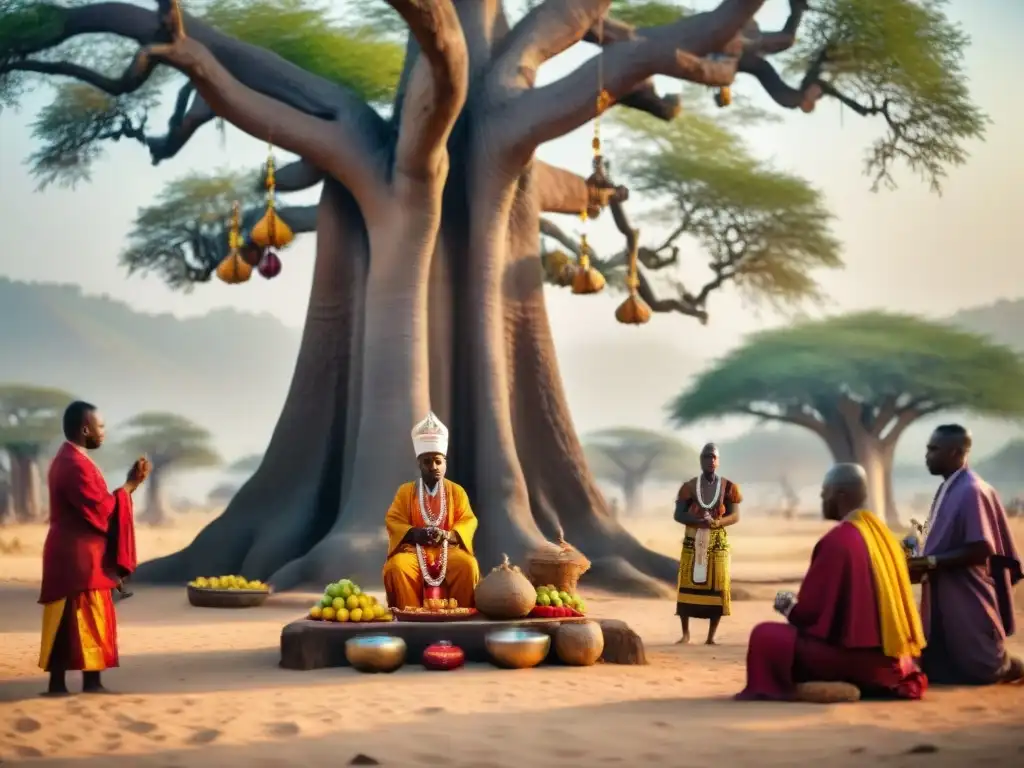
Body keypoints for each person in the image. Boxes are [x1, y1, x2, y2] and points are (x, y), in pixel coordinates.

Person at [736, 463, 928, 701]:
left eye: (823, 494)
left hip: (856, 661)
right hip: (895, 660)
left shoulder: (838, 541)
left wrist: (788, 606)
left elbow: (810, 615)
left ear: (840, 495)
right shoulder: (886, 536)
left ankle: (805, 689)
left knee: (764, 635)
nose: (821, 500)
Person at [38, 401, 151, 696]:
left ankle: (60, 684)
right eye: (100, 427)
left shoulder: (69, 459)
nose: (103, 433)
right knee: (87, 616)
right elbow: (101, 510)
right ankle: (89, 683)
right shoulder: (75, 465)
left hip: (71, 552)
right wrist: (128, 487)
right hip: (80, 556)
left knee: (67, 619)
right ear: (85, 429)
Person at [910, 424, 1023, 685]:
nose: (927, 455)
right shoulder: (949, 487)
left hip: (968, 590)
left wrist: (931, 561)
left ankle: (1011, 667)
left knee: (983, 668)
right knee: (939, 666)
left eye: (933, 449)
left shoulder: (972, 489)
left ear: (955, 452)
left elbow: (982, 547)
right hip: (944, 587)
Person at [382, 412, 480, 609]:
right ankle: (410, 617)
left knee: (467, 566)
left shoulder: (456, 491)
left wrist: (448, 535)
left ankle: (462, 617)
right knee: (397, 567)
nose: (433, 466)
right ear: (419, 464)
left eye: (438, 461)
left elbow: (468, 520)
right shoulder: (406, 491)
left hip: (448, 549)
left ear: (445, 463)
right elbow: (394, 520)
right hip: (414, 551)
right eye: (427, 461)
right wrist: (415, 533)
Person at [673, 443, 741, 645]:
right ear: (701, 461)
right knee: (686, 584)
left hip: (717, 542)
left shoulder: (729, 487)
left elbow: (735, 515)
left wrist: (717, 522)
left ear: (718, 461)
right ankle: (685, 634)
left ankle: (711, 636)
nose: (710, 461)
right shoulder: (689, 487)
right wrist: (697, 521)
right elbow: (678, 514)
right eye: (706, 457)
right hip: (693, 540)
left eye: (714, 457)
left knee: (718, 585)